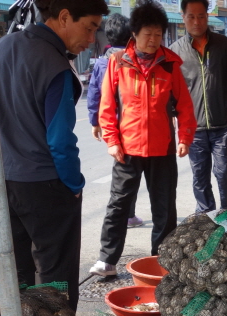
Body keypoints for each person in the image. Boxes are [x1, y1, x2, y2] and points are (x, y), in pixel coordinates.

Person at [0, 0, 106, 308]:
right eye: (89, 28)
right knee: (56, 278)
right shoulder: (55, 65)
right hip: (45, 185)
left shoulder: (3, 47)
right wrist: (74, 185)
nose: (91, 39)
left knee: (18, 274)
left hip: (2, 180)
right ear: (64, 17)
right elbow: (60, 140)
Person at [92, 1, 197, 271]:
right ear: (135, 34)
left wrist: (184, 138)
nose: (153, 40)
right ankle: (107, 260)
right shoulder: (118, 62)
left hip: (162, 148)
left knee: (164, 207)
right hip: (127, 149)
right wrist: (112, 141)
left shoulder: (170, 65)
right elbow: (107, 106)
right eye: (148, 34)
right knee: (118, 205)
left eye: (158, 34)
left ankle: (161, 260)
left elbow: (185, 106)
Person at [169, 0, 227, 214]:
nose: (196, 21)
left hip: (222, 125)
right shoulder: (175, 51)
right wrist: (173, 115)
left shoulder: (224, 45)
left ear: (208, 16)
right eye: (191, 16)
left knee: (224, 172)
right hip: (193, 128)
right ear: (183, 17)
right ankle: (206, 215)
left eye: (201, 16)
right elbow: (172, 90)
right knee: (200, 175)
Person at [88, 13, 144, 228]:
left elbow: (94, 94)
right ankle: (128, 215)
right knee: (131, 171)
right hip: (132, 125)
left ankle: (123, 216)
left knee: (122, 171)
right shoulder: (133, 60)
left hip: (112, 125)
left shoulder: (102, 63)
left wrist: (95, 122)